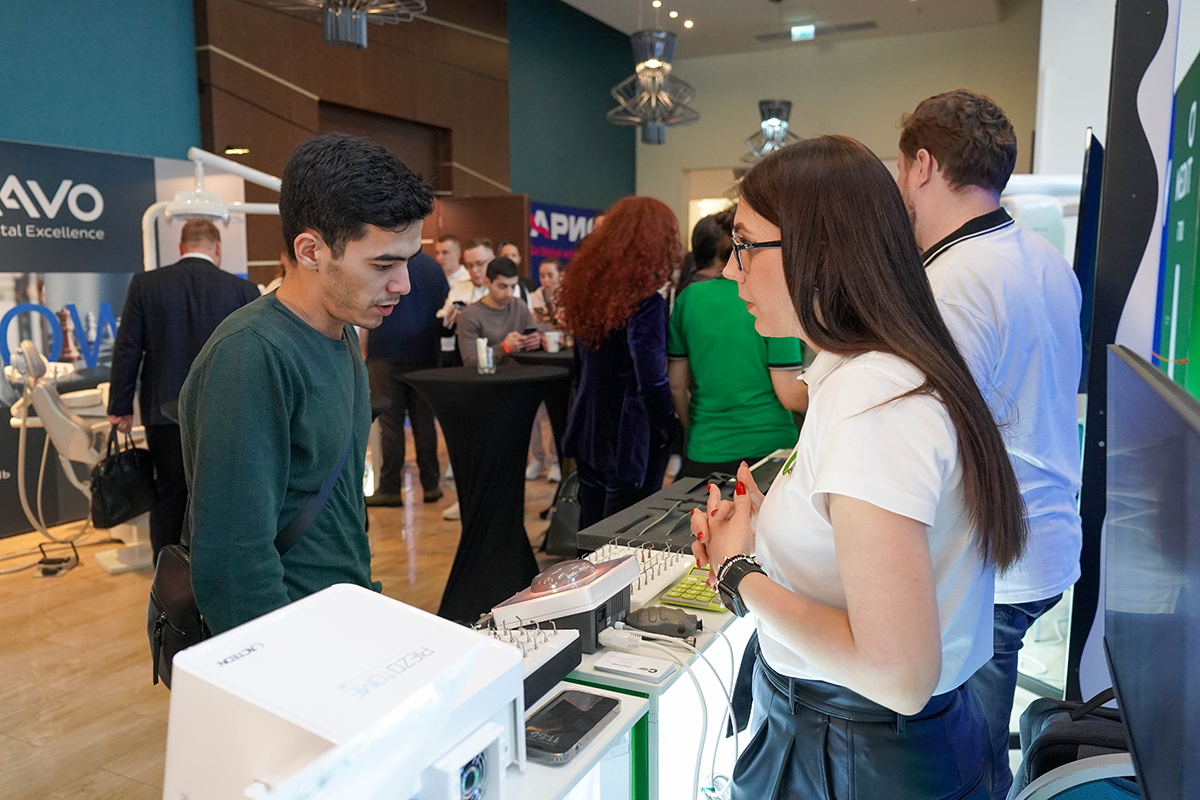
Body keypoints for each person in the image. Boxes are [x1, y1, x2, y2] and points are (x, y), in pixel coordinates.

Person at [691, 136, 1026, 799]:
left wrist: (738, 573)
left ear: (818, 248)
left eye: (746, 246)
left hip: (852, 754)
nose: (731, 271)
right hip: (851, 743)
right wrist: (781, 523)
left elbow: (898, 673)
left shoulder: (873, 399)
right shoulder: (870, 375)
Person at [897, 89, 1083, 800]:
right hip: (1042, 540)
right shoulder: (1044, 257)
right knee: (975, 753)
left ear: (922, 165)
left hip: (991, 561)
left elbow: (933, 438)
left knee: (963, 770)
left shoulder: (952, 279)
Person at [179, 133, 433, 635]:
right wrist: (281, 663)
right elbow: (233, 563)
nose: (403, 284)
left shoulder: (342, 334)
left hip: (341, 619)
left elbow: (337, 508)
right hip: (290, 640)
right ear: (311, 250)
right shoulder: (252, 354)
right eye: (383, 264)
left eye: (408, 261)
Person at [106, 218, 260, 564]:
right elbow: (253, 355)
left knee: (170, 494)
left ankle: (168, 572)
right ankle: (219, 566)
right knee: (223, 493)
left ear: (181, 247)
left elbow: (128, 349)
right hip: (226, 413)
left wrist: (120, 406)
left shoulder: (146, 284)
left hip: (164, 413)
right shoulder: (243, 291)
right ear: (217, 249)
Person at [559, 196, 682, 528]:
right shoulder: (645, 303)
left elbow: (581, 367)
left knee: (590, 534)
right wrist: (667, 425)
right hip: (629, 439)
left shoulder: (588, 294)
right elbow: (651, 378)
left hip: (589, 427)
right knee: (625, 538)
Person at [667, 207, 806, 479]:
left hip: (705, 449)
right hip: (769, 448)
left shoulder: (689, 298)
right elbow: (791, 394)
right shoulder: (771, 297)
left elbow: (676, 385)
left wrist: (696, 429)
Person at [364, 250, 449, 507]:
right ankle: (431, 486)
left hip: (385, 351)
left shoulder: (383, 260)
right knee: (424, 423)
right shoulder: (434, 267)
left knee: (390, 423)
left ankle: (390, 489)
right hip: (426, 353)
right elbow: (443, 308)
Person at [456, 257, 540, 369]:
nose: (509, 293)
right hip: (488, 377)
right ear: (487, 282)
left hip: (520, 372)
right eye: (502, 286)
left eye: (513, 287)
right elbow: (470, 361)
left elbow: (535, 331)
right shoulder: (470, 315)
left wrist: (537, 339)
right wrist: (504, 348)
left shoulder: (519, 305)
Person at [529, 257, 563, 328]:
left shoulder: (569, 298)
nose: (545, 280)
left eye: (550, 276)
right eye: (542, 276)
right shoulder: (531, 298)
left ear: (561, 276)